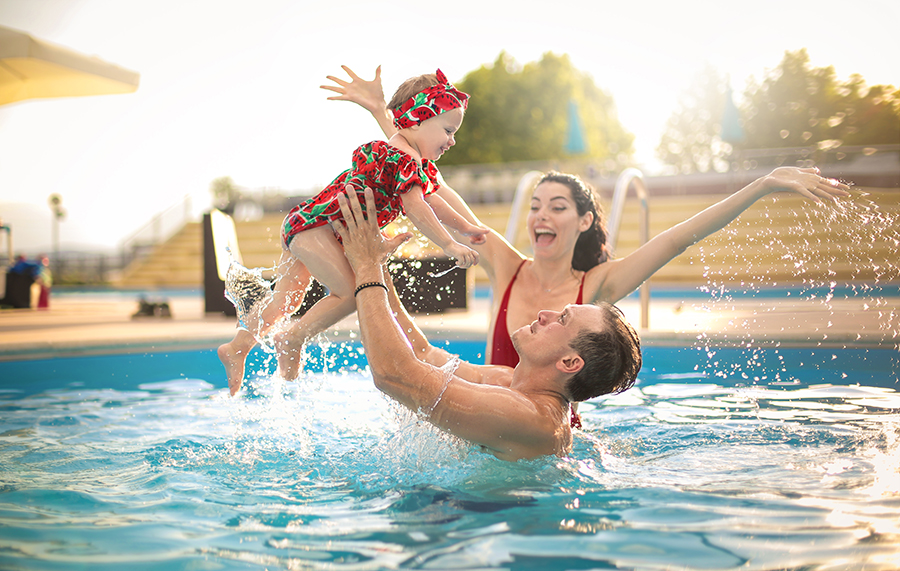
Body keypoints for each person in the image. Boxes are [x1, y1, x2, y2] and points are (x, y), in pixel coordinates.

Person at [321, 66, 853, 365]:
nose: (540, 217)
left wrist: (760, 186)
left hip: (541, 437)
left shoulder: (595, 288)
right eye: (534, 207)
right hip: (479, 419)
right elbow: (423, 179)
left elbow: (677, 239)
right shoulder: (505, 266)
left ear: (582, 222)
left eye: (557, 207)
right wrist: (381, 113)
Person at [218, 69, 488, 395]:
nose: (452, 140)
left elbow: (434, 200)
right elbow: (418, 208)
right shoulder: (400, 158)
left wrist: (467, 227)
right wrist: (448, 244)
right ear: (417, 120)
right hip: (317, 228)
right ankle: (291, 338)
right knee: (350, 295)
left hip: (306, 225)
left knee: (288, 300)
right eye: (447, 130)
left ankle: (238, 347)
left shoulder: (412, 161)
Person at [333, 185, 642, 461]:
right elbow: (422, 355)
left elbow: (395, 376)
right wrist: (376, 261)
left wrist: (367, 267)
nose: (545, 314)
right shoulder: (509, 382)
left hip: (482, 519)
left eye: (562, 319)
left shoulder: (529, 418)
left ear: (570, 361)